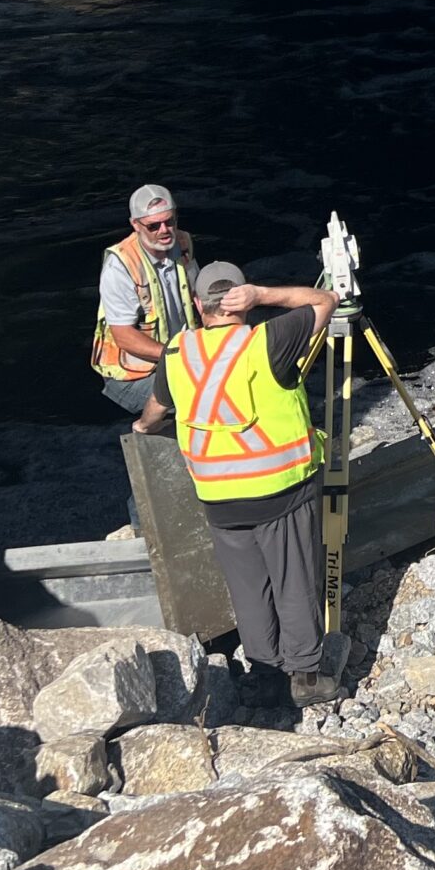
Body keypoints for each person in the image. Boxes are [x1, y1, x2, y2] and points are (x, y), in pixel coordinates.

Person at [134, 262, 343, 708]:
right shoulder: (268, 339)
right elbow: (326, 300)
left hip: (219, 499)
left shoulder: (176, 352)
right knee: (294, 582)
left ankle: (266, 680)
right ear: (241, 297)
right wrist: (265, 293)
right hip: (280, 490)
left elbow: (154, 412)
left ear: (197, 305)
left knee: (249, 590)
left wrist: (143, 427)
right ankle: (305, 678)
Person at [91, 185, 202, 414]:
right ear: (135, 225)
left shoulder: (182, 243)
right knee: (197, 396)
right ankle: (147, 430)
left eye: (169, 221)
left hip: (179, 357)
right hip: (133, 375)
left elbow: (198, 296)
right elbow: (125, 337)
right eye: (153, 226)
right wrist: (178, 355)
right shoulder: (120, 266)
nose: (164, 230)